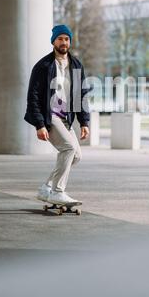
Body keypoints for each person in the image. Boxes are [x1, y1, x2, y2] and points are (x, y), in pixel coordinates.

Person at [24, 24, 90, 206]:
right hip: (49, 116)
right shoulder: (43, 65)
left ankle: (46, 187)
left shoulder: (76, 65)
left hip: (66, 118)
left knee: (75, 156)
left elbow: (81, 96)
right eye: (60, 39)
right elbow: (33, 96)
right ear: (53, 41)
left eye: (66, 39)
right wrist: (40, 125)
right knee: (68, 148)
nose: (64, 42)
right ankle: (57, 191)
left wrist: (84, 122)